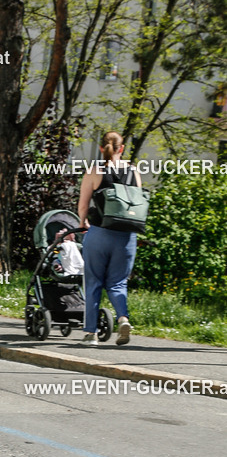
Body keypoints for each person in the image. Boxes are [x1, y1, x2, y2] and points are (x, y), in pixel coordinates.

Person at [78, 131, 141, 347]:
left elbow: (84, 205)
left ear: (102, 149)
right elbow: (138, 203)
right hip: (126, 236)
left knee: (94, 282)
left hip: (99, 233)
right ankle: (123, 318)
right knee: (118, 283)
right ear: (121, 148)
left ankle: (91, 334)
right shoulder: (133, 171)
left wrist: (82, 223)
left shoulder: (94, 171)